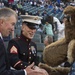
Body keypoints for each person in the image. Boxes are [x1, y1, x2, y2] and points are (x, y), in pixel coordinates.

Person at [0, 7, 48, 75]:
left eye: (35, 28)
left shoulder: (33, 45)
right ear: (23, 27)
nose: (33, 31)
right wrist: (32, 69)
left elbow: (35, 62)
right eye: (31, 27)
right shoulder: (15, 42)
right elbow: (14, 62)